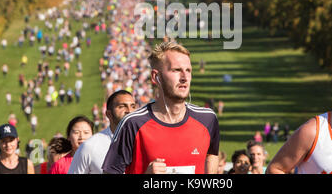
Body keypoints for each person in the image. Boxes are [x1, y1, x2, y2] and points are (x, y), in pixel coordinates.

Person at [102, 41, 220, 174]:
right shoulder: (132, 123)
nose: (185, 77)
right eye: (176, 70)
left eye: (188, 70)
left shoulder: (208, 119)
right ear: (155, 77)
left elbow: (212, 155)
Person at [68, 90, 136, 174]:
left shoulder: (144, 142)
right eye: (122, 106)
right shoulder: (90, 146)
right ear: (109, 114)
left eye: (133, 106)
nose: (129, 111)